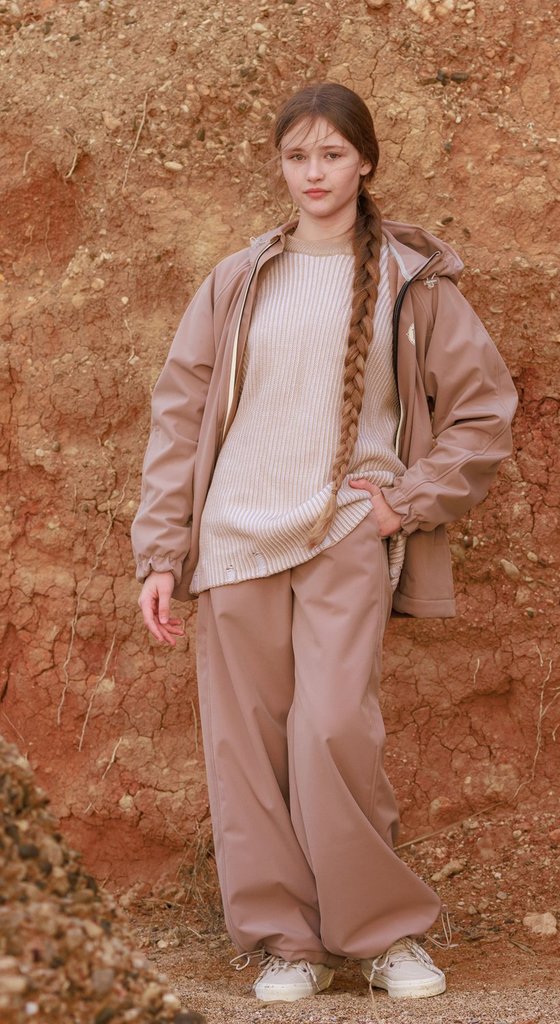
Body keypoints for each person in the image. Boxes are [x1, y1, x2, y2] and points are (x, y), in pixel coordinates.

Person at [132, 82, 517, 1004]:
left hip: (344, 532)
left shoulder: (412, 282)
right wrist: (162, 553)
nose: (314, 173)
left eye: (332, 155)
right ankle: (288, 944)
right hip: (234, 541)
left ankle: (381, 935)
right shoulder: (236, 281)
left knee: (334, 728)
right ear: (281, 165)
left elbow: (483, 413)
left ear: (365, 163)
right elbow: (179, 420)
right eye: (297, 156)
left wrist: (402, 503)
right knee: (248, 749)